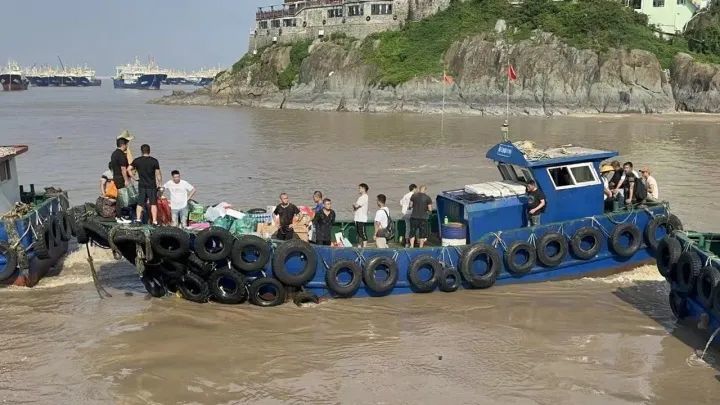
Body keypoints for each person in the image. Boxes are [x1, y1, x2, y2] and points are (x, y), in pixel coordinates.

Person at [128, 144, 162, 225]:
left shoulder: (137, 160)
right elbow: (158, 174)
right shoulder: (154, 161)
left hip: (142, 185)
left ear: (141, 151)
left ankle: (138, 219)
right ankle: (154, 221)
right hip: (152, 186)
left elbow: (128, 169)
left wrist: (134, 178)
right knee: (153, 203)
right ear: (149, 151)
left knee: (140, 203)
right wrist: (160, 184)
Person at [399, 183, 417, 248]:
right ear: (414, 188)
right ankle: (413, 243)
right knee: (414, 228)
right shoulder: (415, 195)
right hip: (412, 213)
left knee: (407, 228)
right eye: (416, 189)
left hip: (405, 213)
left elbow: (401, 203)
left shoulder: (405, 195)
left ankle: (407, 243)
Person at [352, 183, 369, 248]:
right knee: (358, 233)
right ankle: (359, 246)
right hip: (357, 218)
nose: (359, 189)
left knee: (362, 233)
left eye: (360, 188)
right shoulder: (360, 197)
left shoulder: (364, 197)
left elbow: (356, 206)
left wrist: (354, 204)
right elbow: (355, 208)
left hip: (361, 218)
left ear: (363, 189)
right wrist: (355, 205)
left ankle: (364, 247)